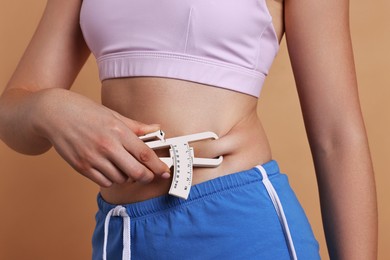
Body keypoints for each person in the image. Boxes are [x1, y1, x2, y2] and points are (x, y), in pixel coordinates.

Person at [0, 0, 377, 259]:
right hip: (122, 235)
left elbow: (337, 136)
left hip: (237, 226)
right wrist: (49, 109)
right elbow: (12, 109)